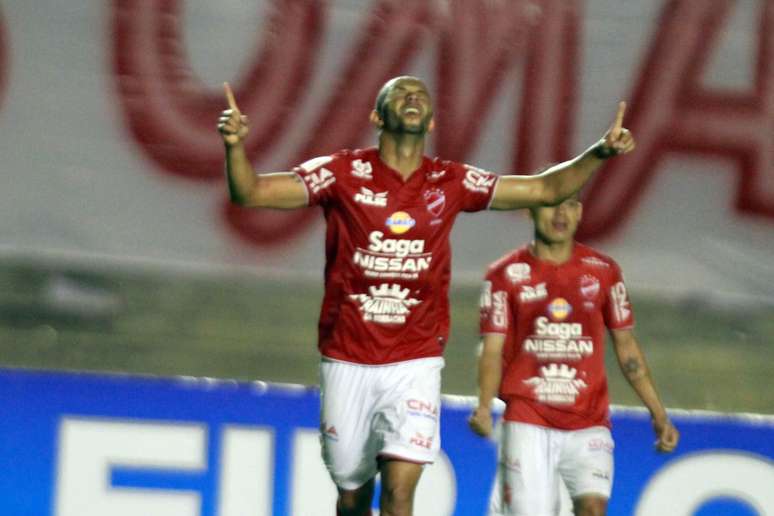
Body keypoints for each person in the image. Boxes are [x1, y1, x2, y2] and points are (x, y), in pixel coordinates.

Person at [218, 75, 634, 516]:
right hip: (347, 359)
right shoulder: (341, 173)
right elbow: (251, 192)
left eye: (420, 95)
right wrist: (234, 146)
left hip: (415, 360)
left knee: (399, 493)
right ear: (377, 116)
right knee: (352, 496)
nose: (412, 97)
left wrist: (599, 153)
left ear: (431, 122)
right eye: (399, 93)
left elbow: (544, 188)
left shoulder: (449, 180)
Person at [469, 193, 680, 516]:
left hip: (589, 421)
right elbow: (492, 349)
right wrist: (484, 406)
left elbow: (627, 348)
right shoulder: (504, 274)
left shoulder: (603, 271)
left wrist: (658, 413)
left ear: (580, 212)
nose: (560, 213)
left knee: (593, 508)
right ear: (530, 211)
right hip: (528, 420)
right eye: (551, 203)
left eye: (569, 204)